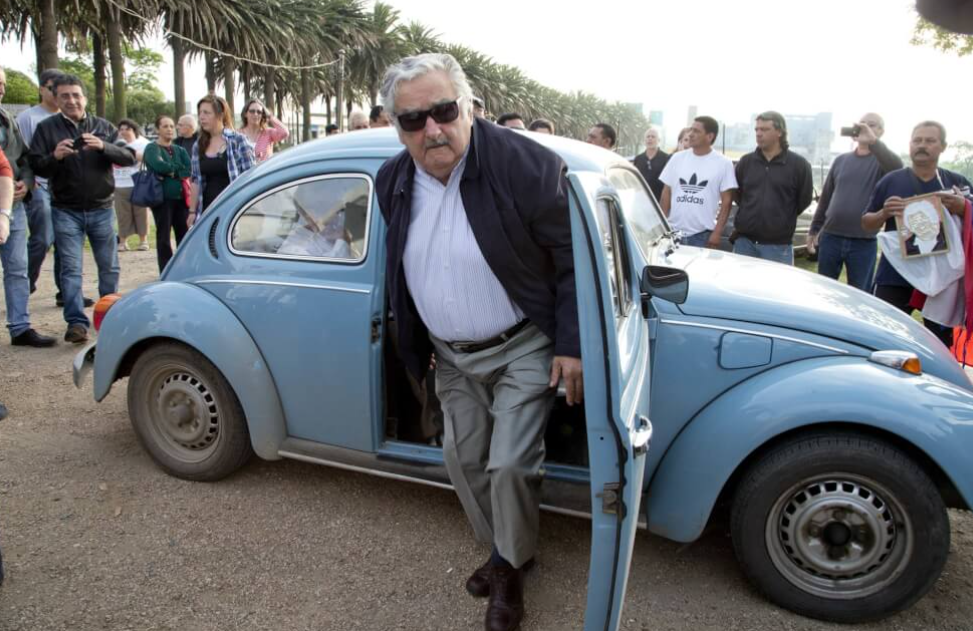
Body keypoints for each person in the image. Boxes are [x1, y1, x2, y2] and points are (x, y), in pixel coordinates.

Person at [376, 53, 581, 631]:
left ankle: (508, 575)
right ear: (397, 126)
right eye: (413, 120)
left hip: (524, 345)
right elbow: (399, 267)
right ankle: (509, 550)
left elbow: (571, 258)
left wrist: (571, 344)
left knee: (510, 463)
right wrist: (416, 340)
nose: (432, 130)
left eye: (444, 111)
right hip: (450, 354)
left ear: (469, 107)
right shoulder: (393, 179)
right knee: (463, 460)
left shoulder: (526, 165)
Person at [27, 74, 135, 343]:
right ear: (56, 98)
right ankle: (76, 323)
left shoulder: (103, 127)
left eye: (76, 95)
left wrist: (103, 146)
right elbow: (36, 165)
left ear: (85, 98)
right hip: (66, 209)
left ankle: (109, 316)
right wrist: (55, 156)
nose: (71, 100)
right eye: (65, 96)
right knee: (71, 269)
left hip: (102, 208)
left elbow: (129, 157)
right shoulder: (46, 129)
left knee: (109, 267)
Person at [861, 121, 971, 348]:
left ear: (943, 146)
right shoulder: (891, 180)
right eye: (917, 140)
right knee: (881, 337)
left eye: (930, 141)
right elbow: (866, 223)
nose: (922, 145)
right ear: (910, 144)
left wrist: (963, 208)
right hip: (895, 274)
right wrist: (883, 213)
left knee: (939, 344)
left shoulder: (956, 182)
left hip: (942, 278)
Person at [808, 113, 902, 291]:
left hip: (863, 241)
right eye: (862, 124)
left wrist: (873, 142)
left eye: (871, 125)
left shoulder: (883, 162)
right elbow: (826, 197)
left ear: (880, 132)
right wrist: (814, 229)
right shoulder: (841, 160)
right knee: (824, 292)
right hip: (831, 237)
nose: (864, 128)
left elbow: (897, 168)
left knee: (860, 294)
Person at [16, 68, 75, 303]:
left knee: (65, 241)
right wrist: (29, 182)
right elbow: (22, 155)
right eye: (53, 88)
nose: (59, 93)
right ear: (42, 89)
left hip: (65, 188)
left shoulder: (70, 117)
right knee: (42, 238)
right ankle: (25, 283)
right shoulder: (28, 118)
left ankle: (65, 292)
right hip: (40, 186)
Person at [0, 105, 56, 348]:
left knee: (18, 268)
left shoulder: (6, 118)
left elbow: (24, 159)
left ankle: (20, 327)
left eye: (2, 86)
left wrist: (25, 181)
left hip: (14, 206)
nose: (1, 89)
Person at [732, 111, 813, 265]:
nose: (758, 134)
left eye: (764, 129)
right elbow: (738, 194)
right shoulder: (746, 162)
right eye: (756, 129)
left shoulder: (799, 165)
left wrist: (780, 217)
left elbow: (804, 200)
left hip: (778, 246)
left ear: (779, 132)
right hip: (744, 243)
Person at [658, 116, 737, 248]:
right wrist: (661, 226)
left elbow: (727, 202)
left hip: (702, 236)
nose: (690, 134)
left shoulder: (724, 163)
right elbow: (666, 193)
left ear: (710, 136)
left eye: (696, 131)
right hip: (672, 232)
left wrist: (717, 232)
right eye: (691, 130)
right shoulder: (677, 158)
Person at [188, 94, 254, 227]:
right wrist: (192, 211)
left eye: (206, 113)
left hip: (232, 208)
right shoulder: (198, 145)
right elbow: (195, 180)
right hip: (206, 209)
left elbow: (251, 175)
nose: (201, 117)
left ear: (220, 115)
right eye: (200, 113)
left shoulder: (238, 140)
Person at [143, 115, 191, 273]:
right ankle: (166, 270)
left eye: (171, 126)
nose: (170, 129)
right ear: (158, 129)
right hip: (162, 199)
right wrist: (175, 169)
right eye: (165, 126)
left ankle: (184, 269)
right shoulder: (152, 148)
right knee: (163, 236)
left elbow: (188, 169)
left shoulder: (180, 150)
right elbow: (159, 166)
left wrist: (171, 171)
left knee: (184, 235)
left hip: (181, 199)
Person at [113, 118, 150, 252]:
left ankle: (143, 241)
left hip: (139, 182)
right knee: (122, 214)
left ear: (134, 130)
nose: (123, 132)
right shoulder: (114, 143)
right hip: (120, 183)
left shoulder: (143, 143)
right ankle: (123, 242)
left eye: (127, 129)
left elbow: (149, 159)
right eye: (121, 129)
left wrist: (135, 155)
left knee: (141, 213)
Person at [238, 98, 289, 163]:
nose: (255, 114)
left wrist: (270, 116)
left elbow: (285, 133)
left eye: (259, 112)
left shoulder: (268, 133)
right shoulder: (238, 134)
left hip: (266, 169)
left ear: (262, 115)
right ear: (245, 114)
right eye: (252, 111)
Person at [632, 125, 669, 201]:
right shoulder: (638, 159)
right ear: (644, 140)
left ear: (658, 140)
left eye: (653, 137)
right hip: (640, 200)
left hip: (658, 200)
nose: (650, 139)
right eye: (648, 137)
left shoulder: (666, 158)